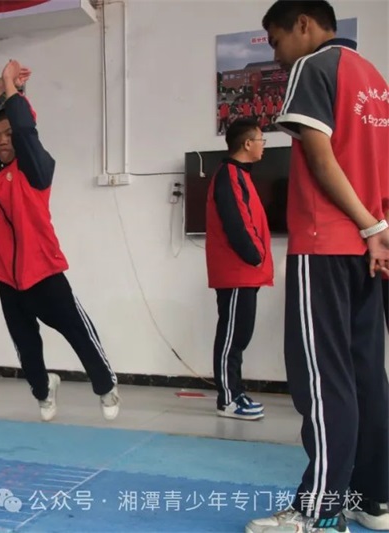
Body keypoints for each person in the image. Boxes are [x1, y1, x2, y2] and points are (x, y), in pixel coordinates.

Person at [246, 2, 389, 532]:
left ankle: (319, 512)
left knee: (324, 381)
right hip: (369, 248)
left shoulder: (314, 66)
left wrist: (368, 227)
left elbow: (320, 157)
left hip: (326, 243)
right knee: (366, 375)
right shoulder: (374, 79)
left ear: (303, 25)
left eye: (276, 41)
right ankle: (373, 501)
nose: (278, 55)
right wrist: (378, 230)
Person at [0, 60, 119, 422]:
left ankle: (105, 384)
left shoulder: (36, 167)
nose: (3, 140)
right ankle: (43, 388)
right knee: (25, 344)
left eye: (8, 134)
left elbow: (24, 127)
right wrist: (0, 84)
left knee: (77, 331)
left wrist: (13, 89)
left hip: (43, 269)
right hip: (6, 273)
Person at [204, 118, 273, 421]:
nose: (263, 146)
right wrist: (256, 256)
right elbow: (237, 223)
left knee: (240, 334)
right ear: (247, 143)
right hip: (236, 271)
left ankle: (235, 390)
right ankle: (228, 400)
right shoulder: (229, 175)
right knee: (232, 336)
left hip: (245, 273)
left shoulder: (241, 174)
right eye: (261, 140)